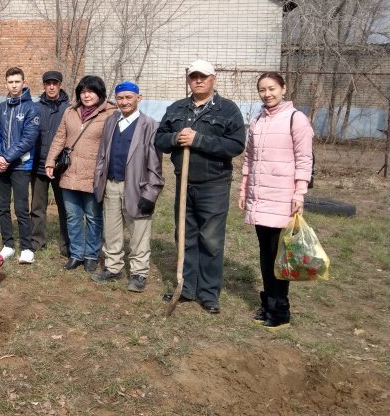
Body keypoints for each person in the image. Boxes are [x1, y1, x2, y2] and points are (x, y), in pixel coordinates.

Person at [156, 59, 246, 314]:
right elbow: (160, 139)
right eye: (194, 76)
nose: (198, 80)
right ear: (189, 79)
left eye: (203, 76)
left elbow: (236, 145)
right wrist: (176, 137)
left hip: (214, 185)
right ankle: (186, 288)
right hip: (185, 183)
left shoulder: (227, 110)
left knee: (211, 240)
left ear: (213, 79)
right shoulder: (177, 109)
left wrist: (199, 140)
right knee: (185, 236)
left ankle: (208, 293)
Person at [239, 72, 313, 328]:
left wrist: (299, 193)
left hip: (283, 198)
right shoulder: (257, 120)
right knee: (265, 253)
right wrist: (244, 189)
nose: (267, 94)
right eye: (262, 90)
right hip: (260, 196)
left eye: (272, 88)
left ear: (283, 88)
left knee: (279, 254)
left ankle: (280, 309)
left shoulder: (296, 119)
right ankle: (268, 302)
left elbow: (305, 159)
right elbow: (249, 159)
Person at [92, 81, 164, 291]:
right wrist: (99, 181)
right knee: (112, 230)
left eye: (128, 97)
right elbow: (102, 154)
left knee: (139, 231)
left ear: (138, 98)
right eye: (120, 98)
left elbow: (156, 164)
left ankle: (139, 273)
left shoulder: (149, 125)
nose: (124, 102)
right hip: (112, 184)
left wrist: (151, 193)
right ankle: (112, 267)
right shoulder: (111, 121)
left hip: (137, 186)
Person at [45, 75, 116, 272]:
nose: (86, 96)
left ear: (100, 93)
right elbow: (60, 137)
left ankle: (92, 254)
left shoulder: (110, 114)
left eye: (91, 91)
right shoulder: (70, 112)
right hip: (69, 173)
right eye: (83, 92)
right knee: (73, 217)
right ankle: (76, 254)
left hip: (94, 175)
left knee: (93, 217)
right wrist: (51, 161)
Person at [0, 67, 40, 263]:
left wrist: (8, 158)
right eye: (10, 82)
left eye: (17, 81)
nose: (14, 85)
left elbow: (28, 139)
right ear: (6, 84)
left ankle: (27, 248)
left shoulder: (31, 108)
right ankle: (8, 244)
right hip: (1, 166)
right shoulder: (1, 108)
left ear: (23, 83)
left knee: (20, 208)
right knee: (2, 207)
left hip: (20, 166)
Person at [31, 71, 71, 256]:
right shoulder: (36, 107)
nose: (52, 86)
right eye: (48, 83)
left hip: (60, 166)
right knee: (38, 206)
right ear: (44, 85)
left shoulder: (69, 109)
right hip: (38, 165)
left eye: (55, 83)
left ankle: (67, 244)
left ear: (60, 84)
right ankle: (37, 241)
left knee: (65, 206)